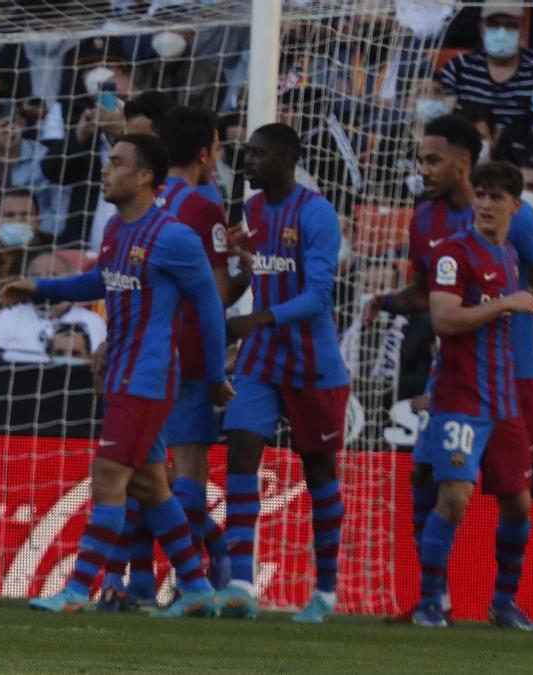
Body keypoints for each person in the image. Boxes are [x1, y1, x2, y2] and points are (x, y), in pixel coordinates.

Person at [0, 133, 232, 618]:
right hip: (121, 372)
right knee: (150, 484)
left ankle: (77, 592)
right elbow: (99, 280)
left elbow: (209, 307)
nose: (106, 170)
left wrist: (213, 375)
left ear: (145, 176)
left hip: (148, 379)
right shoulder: (116, 230)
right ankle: (196, 588)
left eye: (117, 162)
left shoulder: (173, 237)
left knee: (108, 476)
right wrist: (38, 286)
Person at [365, 115, 533, 622]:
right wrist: (386, 301)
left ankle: (499, 602)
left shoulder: (514, 218)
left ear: (462, 161)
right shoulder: (426, 221)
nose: (424, 169)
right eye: (422, 159)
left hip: (517, 375)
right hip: (456, 375)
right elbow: (428, 294)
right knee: (428, 480)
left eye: (434, 159)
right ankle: (434, 600)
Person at [97, 106, 237, 611]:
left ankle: (129, 583)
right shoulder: (201, 205)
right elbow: (213, 295)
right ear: (207, 151)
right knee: (174, 474)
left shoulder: (148, 206)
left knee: (141, 474)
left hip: (140, 354)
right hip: (182, 358)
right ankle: (197, 579)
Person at [222, 123, 349, 623]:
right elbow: (270, 270)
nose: (247, 161)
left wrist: (256, 317)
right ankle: (238, 584)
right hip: (261, 360)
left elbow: (318, 295)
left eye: (257, 153)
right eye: (246, 152)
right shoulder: (253, 211)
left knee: (318, 471)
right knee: (241, 450)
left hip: (313, 365)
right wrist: (244, 264)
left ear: (286, 158)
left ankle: (326, 591)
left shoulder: (316, 212)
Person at [415, 161, 533, 630]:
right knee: (454, 498)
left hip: (503, 400)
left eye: (496, 196)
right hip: (461, 400)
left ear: (515, 205)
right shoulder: (454, 254)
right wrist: (507, 303)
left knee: (519, 503)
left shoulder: (507, 256)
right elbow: (445, 320)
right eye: (481, 195)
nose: (486, 204)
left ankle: (503, 602)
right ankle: (430, 601)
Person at [438, 1, 533, 134]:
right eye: (494, 25)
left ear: (523, 29)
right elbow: (443, 121)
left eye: (510, 25)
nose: (501, 32)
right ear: (481, 29)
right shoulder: (458, 68)